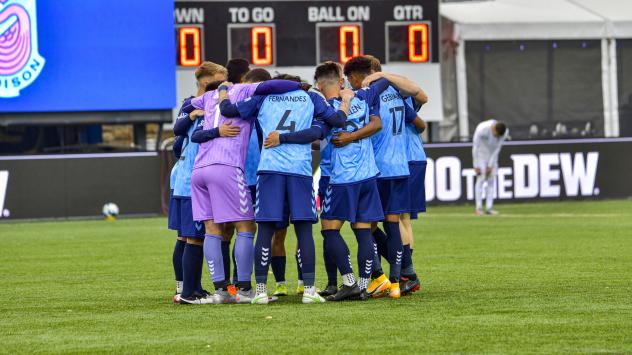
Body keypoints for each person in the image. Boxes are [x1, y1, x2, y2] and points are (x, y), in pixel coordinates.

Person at [219, 81, 353, 304]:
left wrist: (223, 92)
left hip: (270, 169)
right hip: (300, 170)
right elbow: (337, 121)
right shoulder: (311, 97)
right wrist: (346, 101)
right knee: (304, 230)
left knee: (265, 230)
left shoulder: (264, 98)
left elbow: (229, 111)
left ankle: (260, 291)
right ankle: (309, 290)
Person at [266, 62, 390, 301]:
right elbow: (384, 82)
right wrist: (373, 78)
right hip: (368, 175)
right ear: (340, 80)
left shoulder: (326, 110)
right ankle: (363, 286)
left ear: (320, 85)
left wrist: (283, 138)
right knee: (363, 231)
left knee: (329, 230)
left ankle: (349, 282)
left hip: (342, 179)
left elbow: (316, 134)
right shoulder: (363, 96)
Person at [188, 66, 302, 304]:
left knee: (212, 229)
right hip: (227, 167)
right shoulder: (246, 90)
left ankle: (220, 291)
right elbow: (276, 86)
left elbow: (187, 107)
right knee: (246, 227)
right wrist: (300, 87)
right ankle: (245, 289)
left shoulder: (208, 96)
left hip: (200, 169)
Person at [344, 56, 425, 299]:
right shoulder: (397, 91)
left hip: (377, 168)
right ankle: (400, 279)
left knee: (364, 224)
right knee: (395, 223)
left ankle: (379, 277)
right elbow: (420, 104)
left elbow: (370, 125)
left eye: (351, 80)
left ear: (357, 77)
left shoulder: (369, 95)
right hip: (400, 166)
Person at [169, 62, 227, 305]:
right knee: (192, 236)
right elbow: (179, 131)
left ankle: (190, 287)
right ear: (208, 81)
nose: (226, 85)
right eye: (221, 80)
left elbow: (177, 142)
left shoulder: (210, 106)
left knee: (187, 236)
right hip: (190, 180)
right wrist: (193, 114)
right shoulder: (193, 104)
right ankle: (187, 290)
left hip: (187, 177)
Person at [472, 119, 508, 215]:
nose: (496, 137)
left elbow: (497, 149)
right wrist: (476, 165)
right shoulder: (482, 128)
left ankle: (489, 207)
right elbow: (475, 146)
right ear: (493, 128)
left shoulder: (504, 132)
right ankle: (478, 208)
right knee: (481, 179)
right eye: (495, 134)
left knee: (491, 181)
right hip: (480, 155)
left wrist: (490, 165)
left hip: (492, 156)